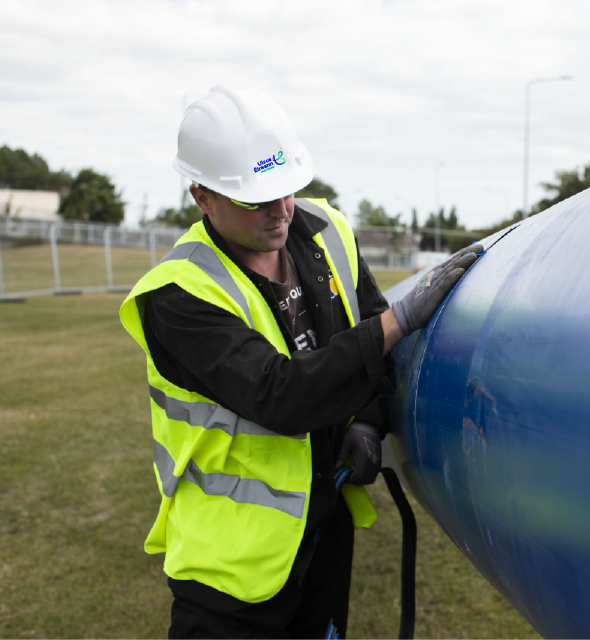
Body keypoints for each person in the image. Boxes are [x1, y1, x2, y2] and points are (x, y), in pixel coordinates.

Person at [119, 85, 481, 639]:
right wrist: (401, 319)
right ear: (202, 196)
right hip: (231, 569)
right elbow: (279, 393)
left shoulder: (325, 229)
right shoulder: (178, 294)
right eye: (256, 199)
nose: (281, 211)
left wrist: (366, 421)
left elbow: (370, 340)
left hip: (324, 533)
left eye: (287, 189)